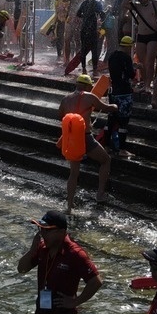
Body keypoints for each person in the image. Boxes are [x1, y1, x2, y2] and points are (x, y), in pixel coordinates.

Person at [16, 211, 103, 314]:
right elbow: (21, 269)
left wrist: (75, 301)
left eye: (47, 230)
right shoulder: (42, 248)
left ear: (62, 232)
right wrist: (32, 250)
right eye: (40, 229)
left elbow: (96, 281)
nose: (42, 234)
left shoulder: (75, 254)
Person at [58, 73, 116, 212]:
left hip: (71, 139)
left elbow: (61, 115)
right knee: (106, 160)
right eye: (90, 86)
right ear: (87, 86)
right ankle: (100, 195)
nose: (91, 88)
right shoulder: (90, 97)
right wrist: (115, 106)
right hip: (85, 137)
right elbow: (106, 107)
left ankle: (70, 204)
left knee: (73, 173)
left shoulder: (65, 99)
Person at [125, 0, 157, 96]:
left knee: (150, 62)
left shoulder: (156, 3)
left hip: (153, 36)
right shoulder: (137, 5)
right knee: (141, 62)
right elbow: (124, 4)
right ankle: (144, 83)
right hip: (141, 36)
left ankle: (148, 85)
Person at [74, 0, 105, 75]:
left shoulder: (85, 2)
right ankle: (95, 70)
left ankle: (84, 68)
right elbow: (102, 15)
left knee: (83, 48)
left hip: (84, 28)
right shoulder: (98, 2)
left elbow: (78, 14)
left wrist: (86, 17)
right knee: (94, 49)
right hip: (92, 29)